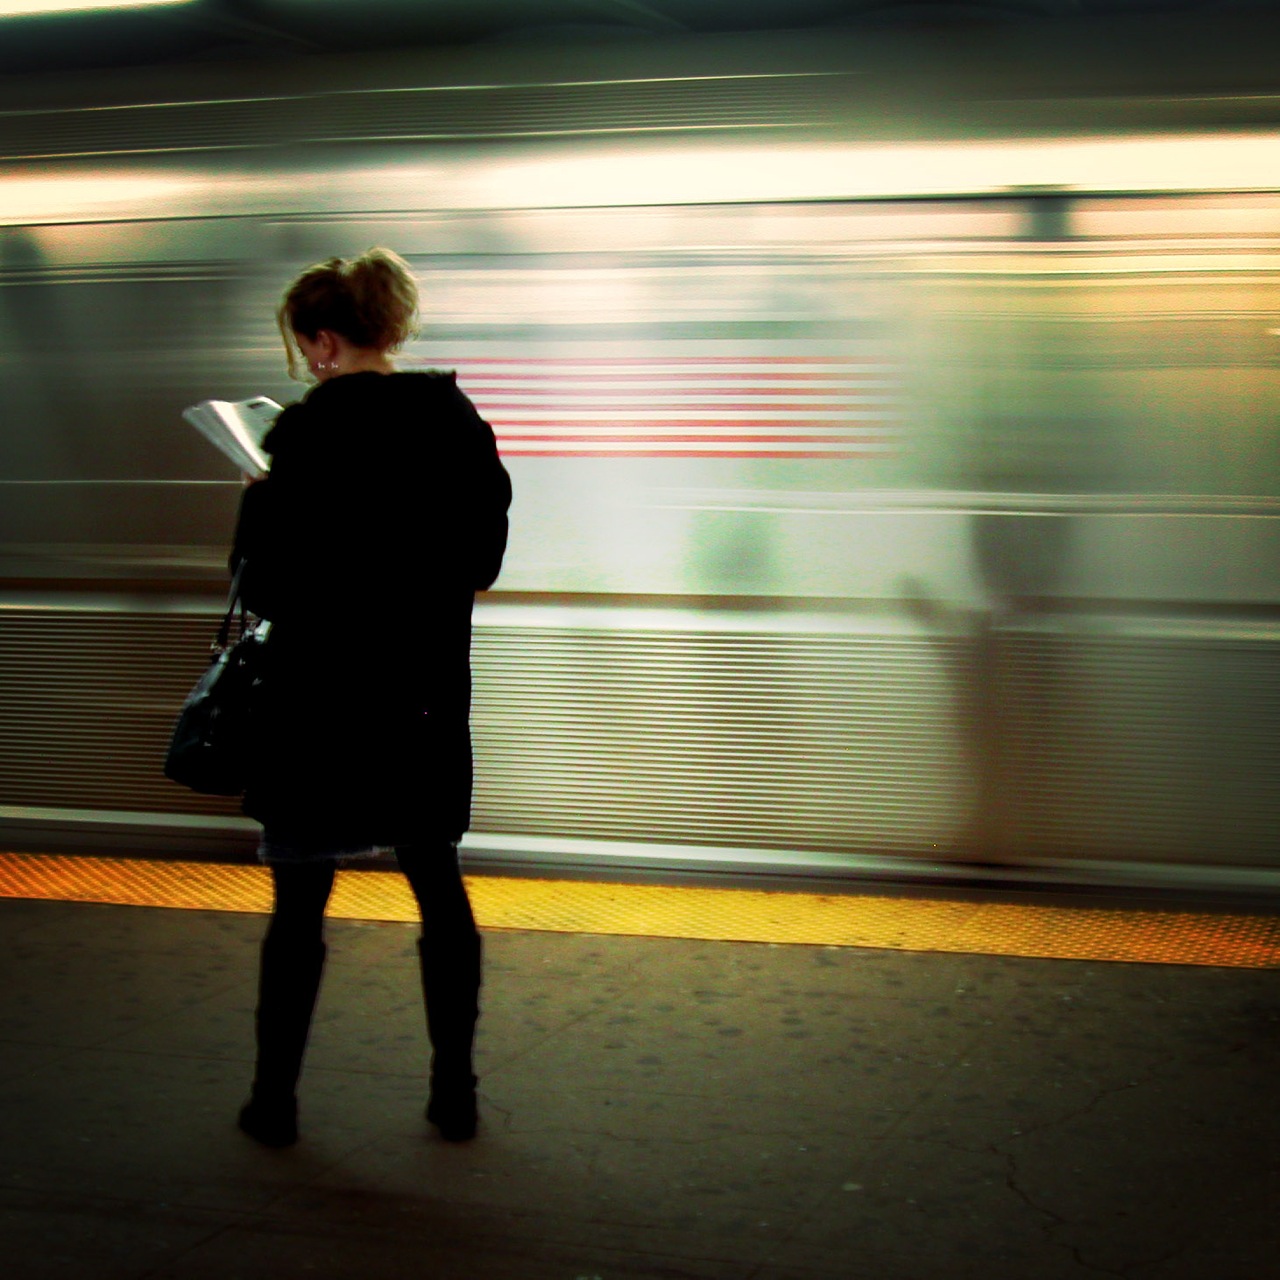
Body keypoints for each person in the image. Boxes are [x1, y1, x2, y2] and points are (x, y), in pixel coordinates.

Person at [229, 247, 511, 1148]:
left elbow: (266, 589)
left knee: (300, 906)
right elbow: (482, 567)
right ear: (389, 329)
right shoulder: (457, 422)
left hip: (318, 709)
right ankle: (453, 1093)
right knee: (438, 886)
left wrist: (259, 505)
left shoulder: (301, 438)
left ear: (320, 342)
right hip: (422, 699)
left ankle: (275, 1101)